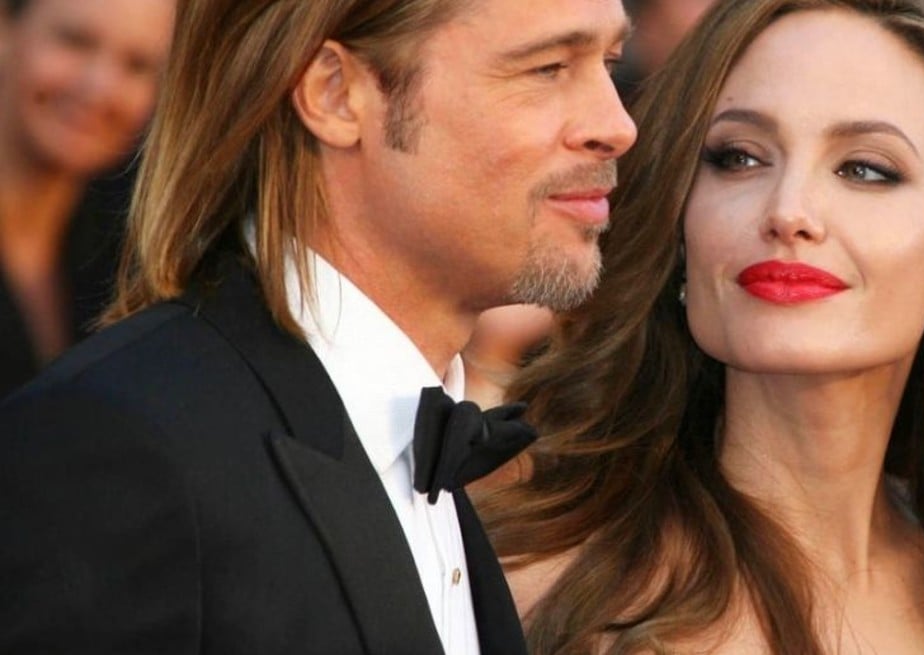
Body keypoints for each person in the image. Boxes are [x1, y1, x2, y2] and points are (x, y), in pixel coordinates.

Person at [476, 0, 924, 653]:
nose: (789, 209)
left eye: (865, 169)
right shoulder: (530, 584)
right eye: (739, 157)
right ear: (680, 215)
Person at [0, 0, 635, 653]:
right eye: (547, 68)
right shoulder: (120, 443)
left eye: (611, 64)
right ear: (335, 94)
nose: (617, 126)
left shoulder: (436, 454)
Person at [0, 0, 173, 397]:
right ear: (5, 27)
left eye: (137, 66)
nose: (99, 88)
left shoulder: (138, 258)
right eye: (74, 42)